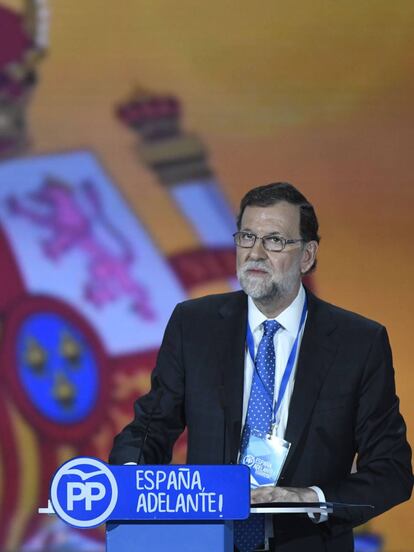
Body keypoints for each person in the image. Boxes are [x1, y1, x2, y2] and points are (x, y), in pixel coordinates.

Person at [109, 182, 413, 551]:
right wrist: (125, 483)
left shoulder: (358, 343)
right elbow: (151, 427)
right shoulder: (195, 325)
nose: (255, 253)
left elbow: (391, 472)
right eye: (247, 237)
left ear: (307, 255)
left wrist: (311, 498)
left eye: (274, 241)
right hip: (207, 540)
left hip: (307, 542)